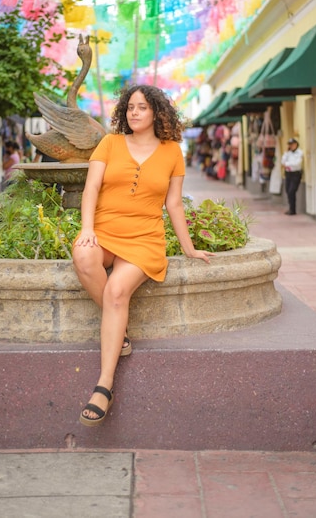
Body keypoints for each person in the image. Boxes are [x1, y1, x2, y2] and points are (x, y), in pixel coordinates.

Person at [72, 85, 215, 427]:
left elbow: (174, 204)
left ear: (156, 113)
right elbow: (90, 188)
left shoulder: (172, 152)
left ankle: (103, 385)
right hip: (104, 230)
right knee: (83, 255)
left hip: (143, 238)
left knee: (117, 292)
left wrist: (188, 247)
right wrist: (87, 229)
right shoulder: (109, 143)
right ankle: (118, 334)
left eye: (142, 107)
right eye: (130, 107)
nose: (134, 113)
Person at [281, 137, 304, 215]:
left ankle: (293, 209)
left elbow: (297, 164)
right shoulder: (288, 153)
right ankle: (291, 208)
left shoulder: (300, 152)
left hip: (296, 174)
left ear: (296, 144)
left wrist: (287, 164)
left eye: (292, 144)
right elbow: (283, 161)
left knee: (292, 191)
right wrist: (286, 153)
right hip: (288, 173)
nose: (291, 146)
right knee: (288, 190)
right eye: (290, 144)